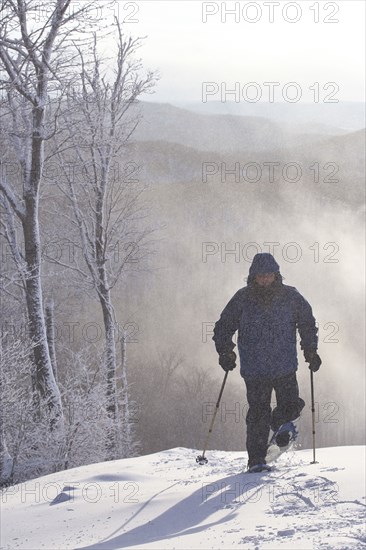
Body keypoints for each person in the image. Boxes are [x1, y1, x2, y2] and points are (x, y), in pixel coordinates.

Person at [213, 252, 321, 470]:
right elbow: (223, 326)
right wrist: (225, 352)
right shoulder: (242, 298)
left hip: (285, 367)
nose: (264, 279)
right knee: (258, 414)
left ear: (276, 275)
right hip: (255, 369)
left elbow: (307, 322)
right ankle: (256, 460)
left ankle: (278, 425)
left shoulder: (291, 296)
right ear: (253, 276)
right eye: (260, 276)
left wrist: (310, 350)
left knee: (291, 407)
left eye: (268, 275)